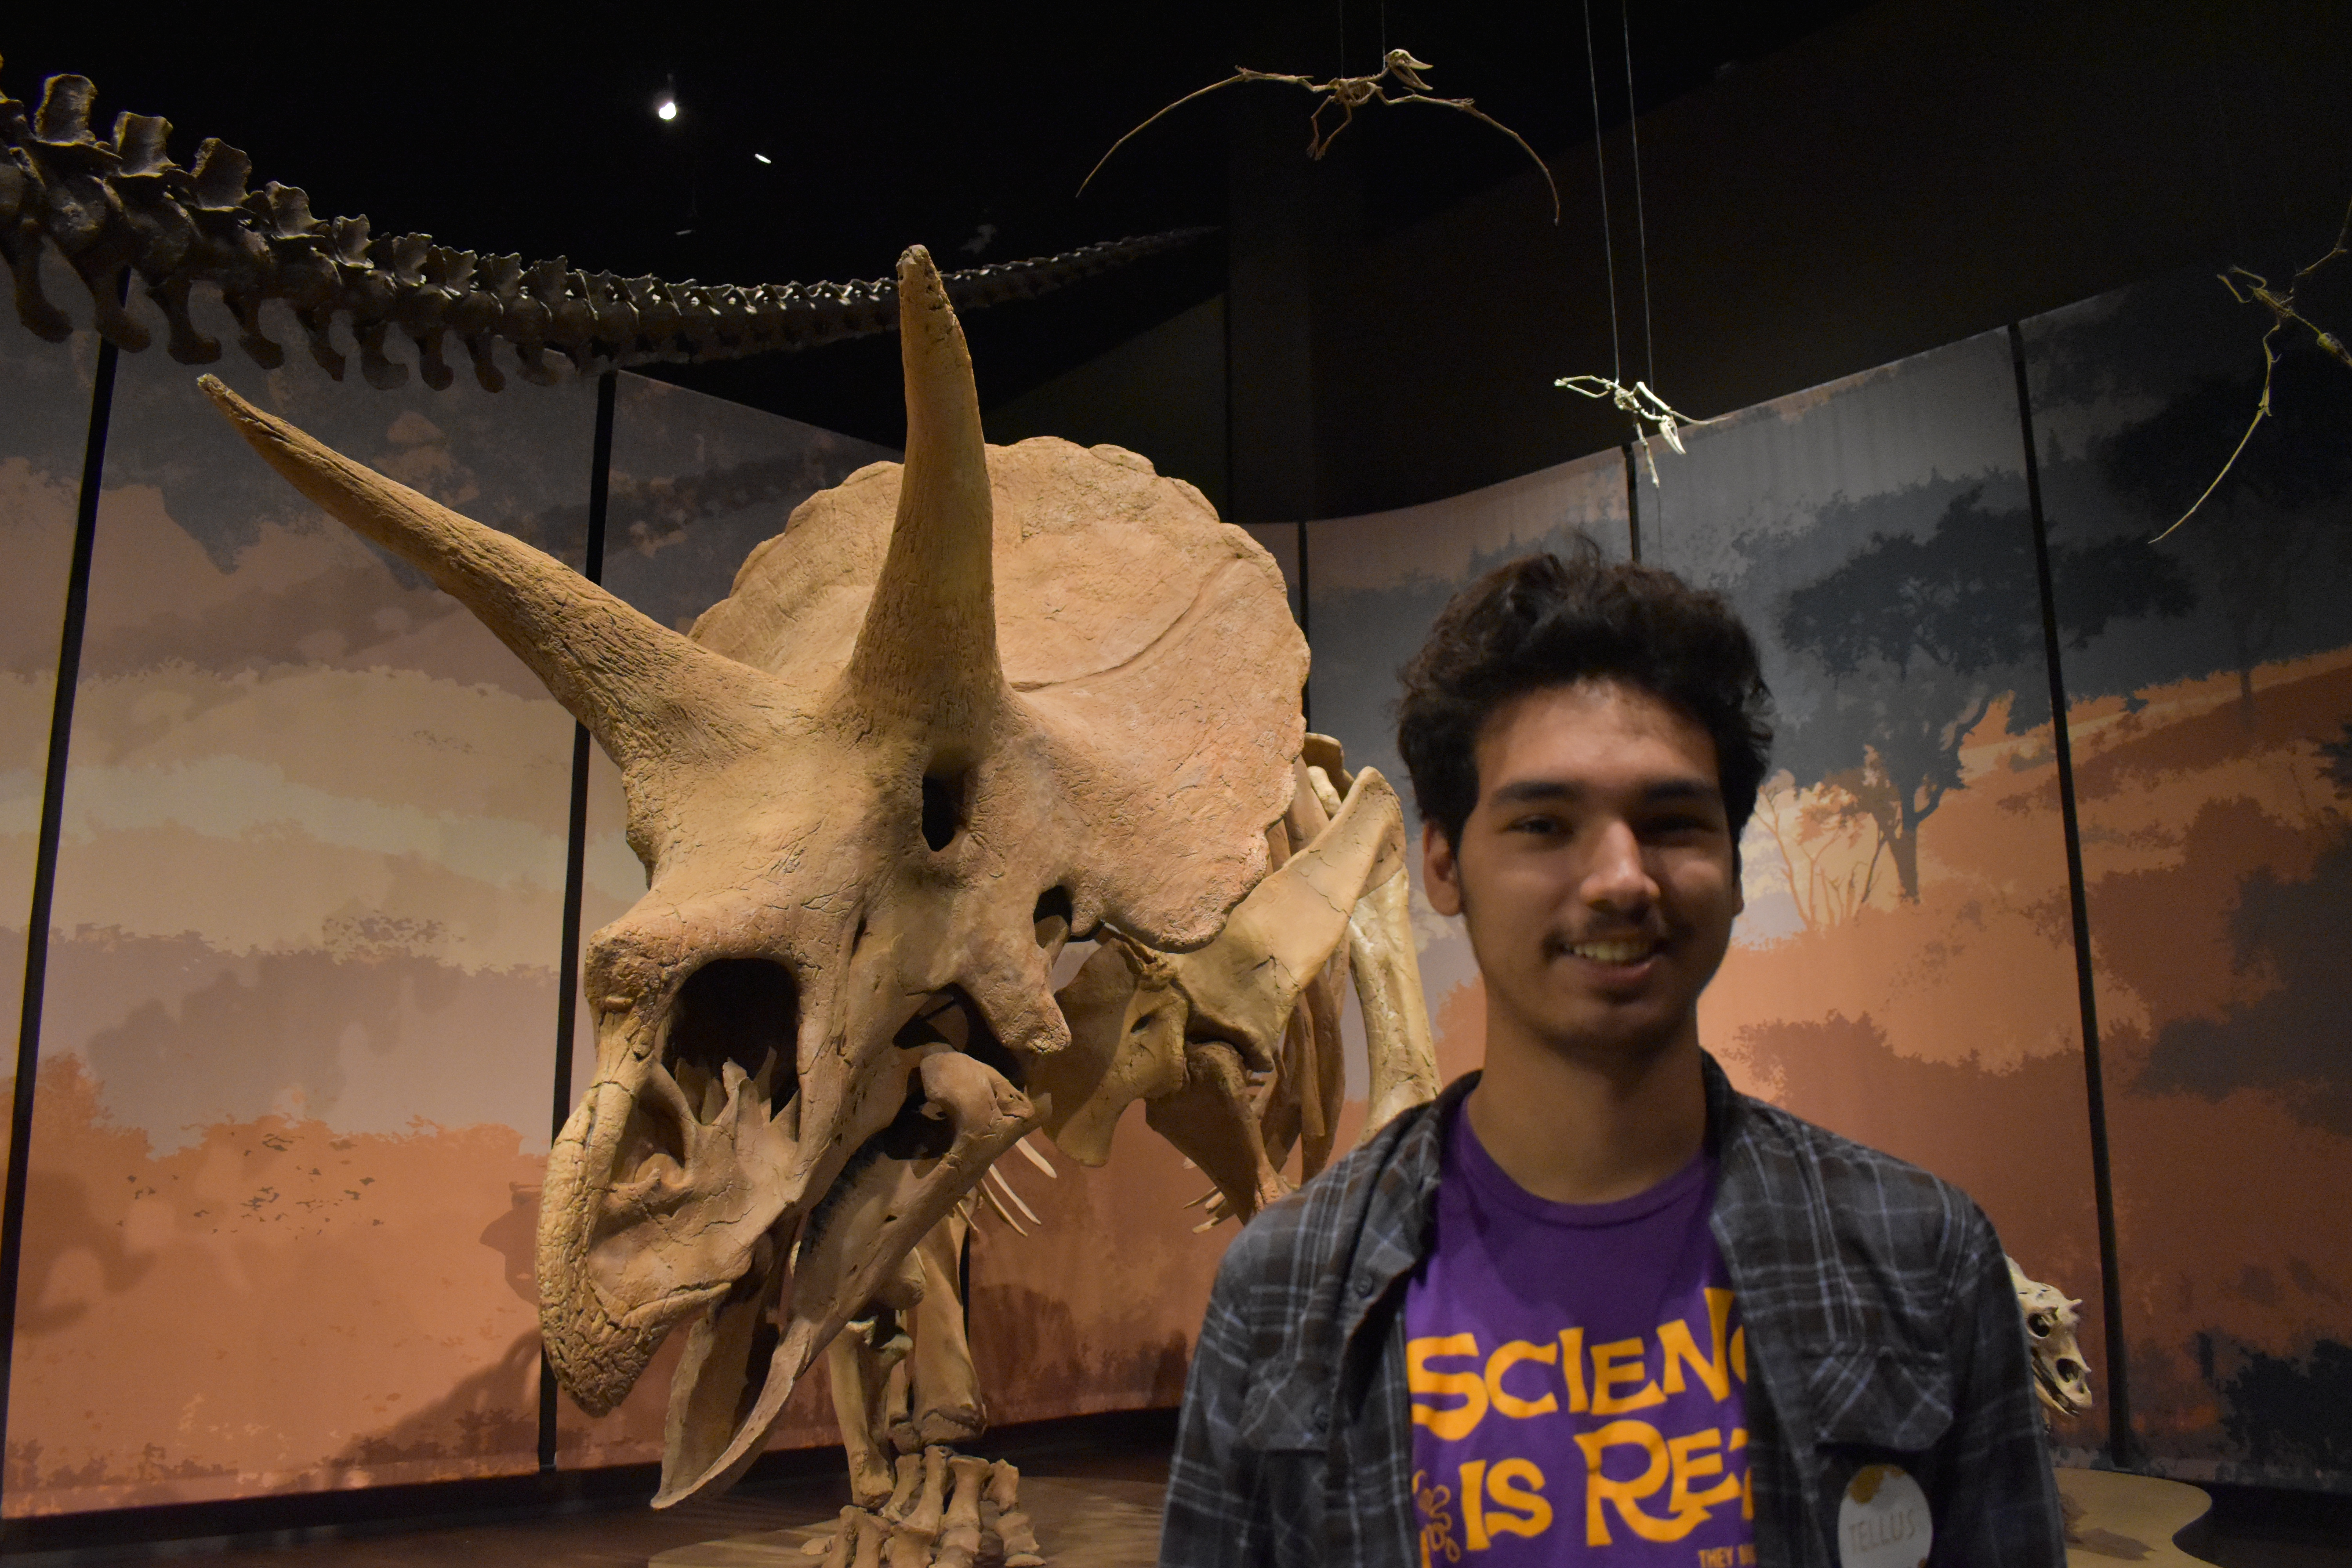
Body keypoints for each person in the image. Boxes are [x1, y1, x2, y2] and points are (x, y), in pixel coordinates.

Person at [1160, 542, 2063, 1566]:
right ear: (1445, 866)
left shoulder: (1924, 1260)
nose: (1622, 878)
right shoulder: (1282, 1290)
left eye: (1672, 820)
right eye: (1546, 824)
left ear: (1729, 856)